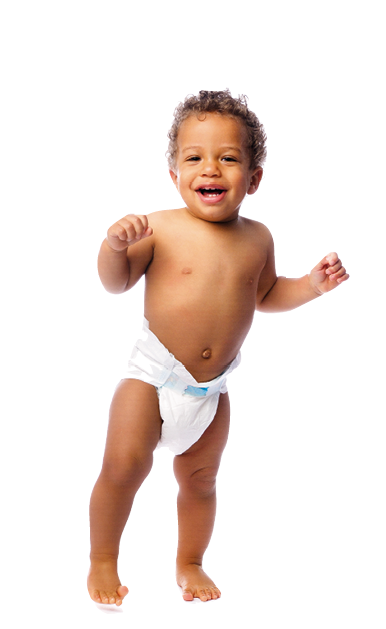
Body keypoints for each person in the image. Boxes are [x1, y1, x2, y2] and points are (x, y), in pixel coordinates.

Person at [87, 90, 349, 606]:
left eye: (229, 158)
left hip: (211, 392)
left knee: (202, 481)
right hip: (152, 378)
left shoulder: (258, 238)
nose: (211, 168)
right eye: (195, 158)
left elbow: (267, 294)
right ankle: (102, 559)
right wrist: (113, 246)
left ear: (252, 179)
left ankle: (190, 561)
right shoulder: (158, 227)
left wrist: (312, 286)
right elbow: (115, 284)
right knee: (123, 469)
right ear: (174, 174)